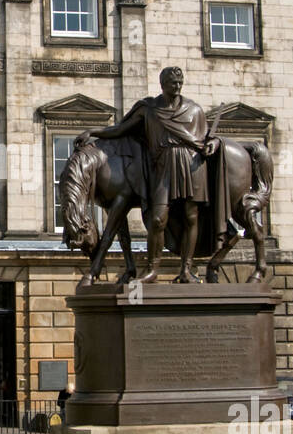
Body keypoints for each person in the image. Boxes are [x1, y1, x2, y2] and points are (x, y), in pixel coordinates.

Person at [85, 66, 225, 283]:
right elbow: (121, 130)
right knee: (158, 219)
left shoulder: (194, 110)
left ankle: (186, 270)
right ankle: (152, 270)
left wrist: (214, 144)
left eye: (180, 83)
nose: (177, 87)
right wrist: (93, 132)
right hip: (163, 166)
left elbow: (206, 138)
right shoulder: (149, 108)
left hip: (192, 164)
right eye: (172, 83)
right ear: (162, 84)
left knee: (191, 217)